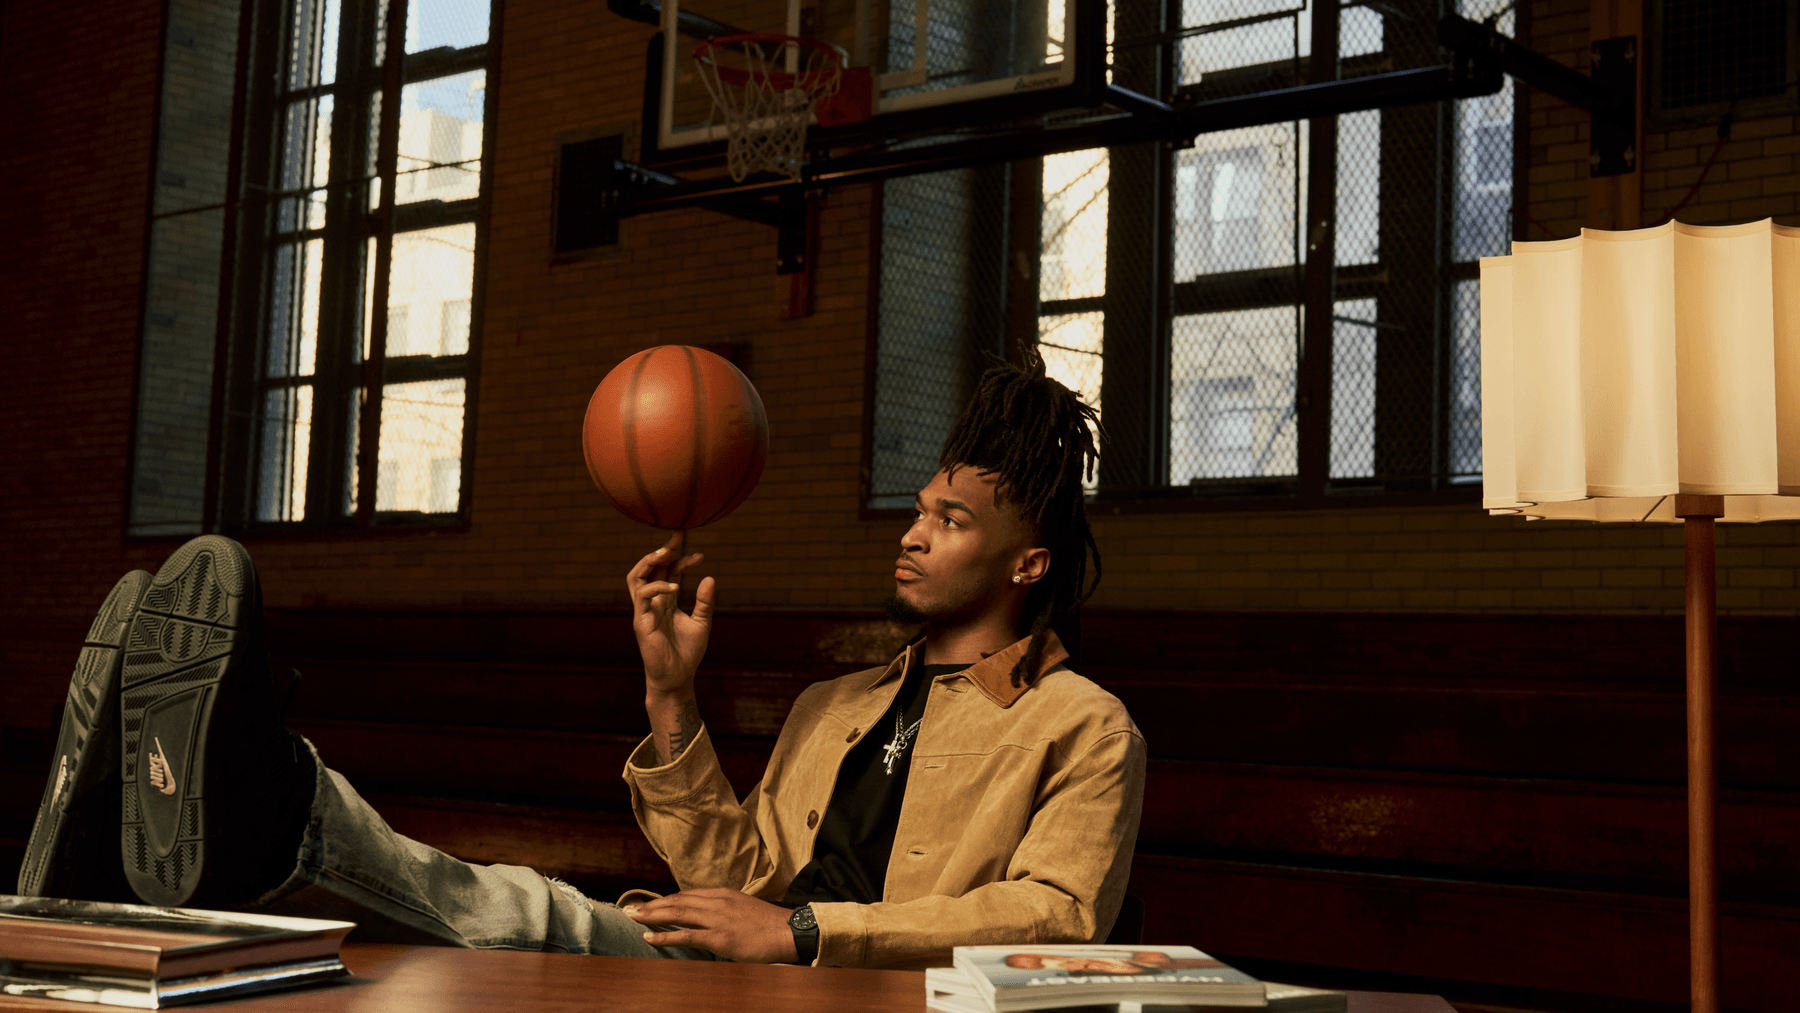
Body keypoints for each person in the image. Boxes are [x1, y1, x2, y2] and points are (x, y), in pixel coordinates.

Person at [18, 348, 1146, 970]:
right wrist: (670, 691)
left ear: (1027, 562)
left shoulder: (1082, 724)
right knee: (499, 912)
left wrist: (803, 930)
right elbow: (739, 868)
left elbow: (1056, 918)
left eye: (949, 519)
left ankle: (255, 799)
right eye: (917, 507)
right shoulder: (839, 702)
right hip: (735, 967)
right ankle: (213, 824)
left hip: (860, 993)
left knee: (499, 913)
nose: (912, 530)